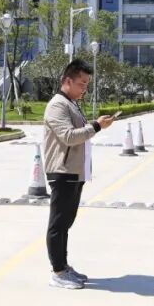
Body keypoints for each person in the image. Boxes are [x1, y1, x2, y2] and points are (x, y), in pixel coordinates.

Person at [42, 59, 116, 289]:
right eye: (82, 83)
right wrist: (96, 126)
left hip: (74, 171)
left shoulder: (71, 104)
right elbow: (68, 136)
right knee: (58, 223)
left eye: (87, 84)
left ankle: (63, 266)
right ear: (68, 81)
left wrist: (95, 125)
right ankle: (57, 272)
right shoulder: (57, 105)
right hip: (62, 171)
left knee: (66, 222)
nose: (85, 88)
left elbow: (78, 133)